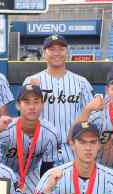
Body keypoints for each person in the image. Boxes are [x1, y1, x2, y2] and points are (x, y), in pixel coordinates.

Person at [23, 34, 94, 164]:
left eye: (61, 49)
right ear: (44, 53)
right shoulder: (31, 81)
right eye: (52, 49)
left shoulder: (81, 82)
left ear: (67, 52)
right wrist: (33, 93)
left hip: (73, 149)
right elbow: (24, 120)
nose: (57, 53)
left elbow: (91, 118)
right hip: (41, 149)